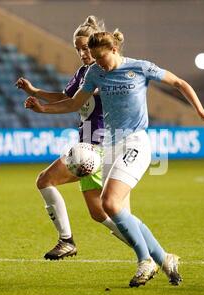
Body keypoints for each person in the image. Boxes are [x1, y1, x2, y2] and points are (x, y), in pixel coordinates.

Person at [23, 29, 204, 287]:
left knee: (109, 203)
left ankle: (145, 262)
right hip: (110, 145)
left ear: (115, 50)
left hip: (135, 142)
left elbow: (178, 83)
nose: (97, 63)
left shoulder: (140, 68)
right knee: (116, 212)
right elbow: (74, 103)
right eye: (94, 57)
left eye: (101, 57)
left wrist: (199, 110)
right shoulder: (95, 72)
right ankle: (165, 259)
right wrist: (43, 109)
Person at [15, 16, 129, 261]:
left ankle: (66, 241)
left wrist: (42, 107)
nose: (81, 53)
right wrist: (35, 92)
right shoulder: (82, 73)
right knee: (99, 213)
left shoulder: (105, 71)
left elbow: (75, 101)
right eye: (77, 49)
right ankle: (149, 252)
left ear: (97, 44)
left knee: (45, 180)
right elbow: (65, 97)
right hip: (88, 144)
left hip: (98, 146)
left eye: (85, 47)